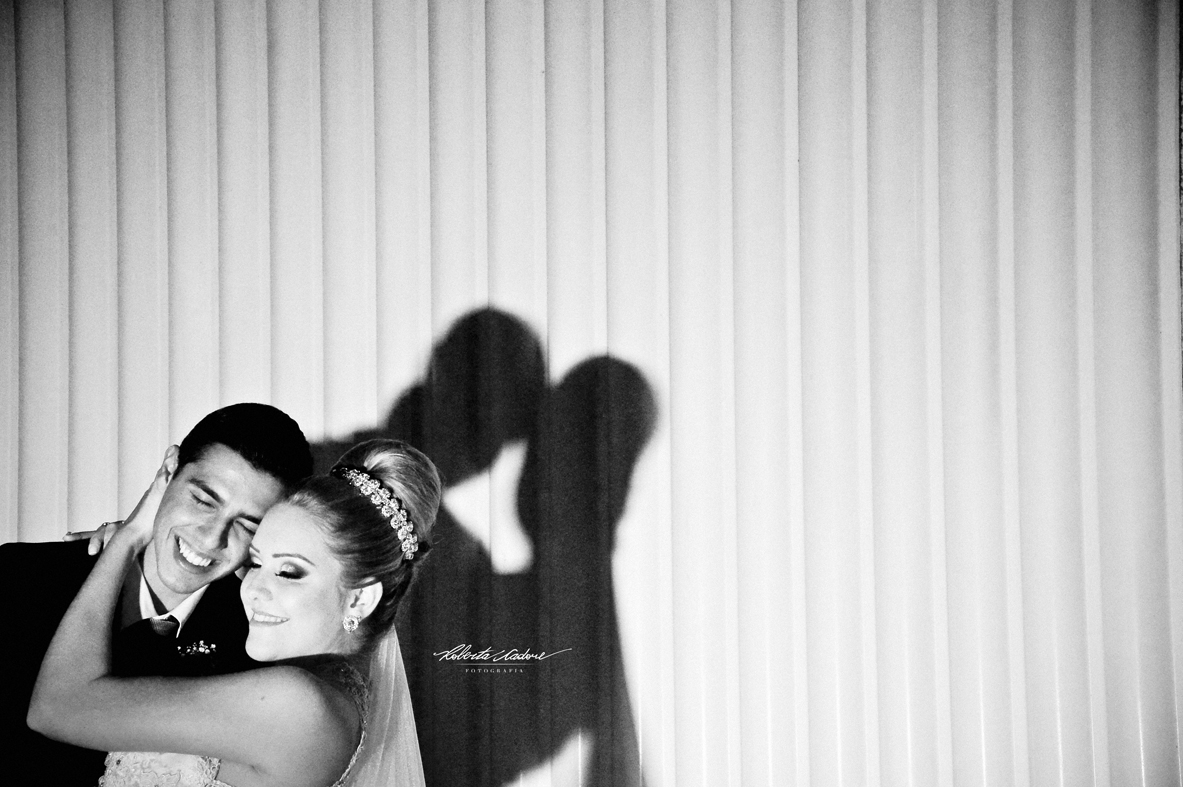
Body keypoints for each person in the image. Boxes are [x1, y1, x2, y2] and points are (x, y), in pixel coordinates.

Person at [28, 438, 438, 787]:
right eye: (256, 562)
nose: (252, 587)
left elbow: (57, 707)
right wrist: (158, 548)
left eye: (288, 572)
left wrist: (131, 538)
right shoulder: (329, 689)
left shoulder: (299, 705)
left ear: (360, 600)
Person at [1, 403, 313, 787]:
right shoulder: (19, 576)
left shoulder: (257, 649)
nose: (210, 538)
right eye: (203, 500)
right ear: (169, 470)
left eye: (247, 526)